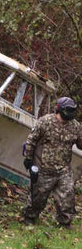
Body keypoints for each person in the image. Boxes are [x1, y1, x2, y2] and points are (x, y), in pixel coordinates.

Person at [21, 97, 82, 229]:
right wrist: (29, 160)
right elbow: (31, 141)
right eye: (68, 110)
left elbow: (80, 144)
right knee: (38, 198)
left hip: (64, 169)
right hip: (43, 168)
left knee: (67, 197)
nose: (70, 113)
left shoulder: (75, 126)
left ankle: (65, 223)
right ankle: (29, 218)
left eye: (73, 110)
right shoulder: (45, 122)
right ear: (59, 109)